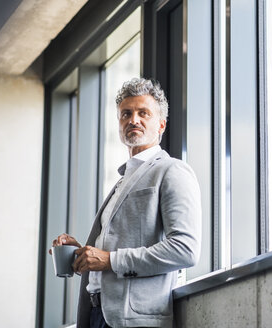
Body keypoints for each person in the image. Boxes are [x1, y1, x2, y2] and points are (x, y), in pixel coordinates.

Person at [50, 77, 201, 328]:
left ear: (161, 124)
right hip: (97, 315)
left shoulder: (172, 171)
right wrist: (83, 254)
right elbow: (110, 251)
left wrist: (109, 260)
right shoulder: (121, 182)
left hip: (133, 320)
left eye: (144, 113)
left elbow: (185, 249)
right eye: (126, 114)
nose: (133, 120)